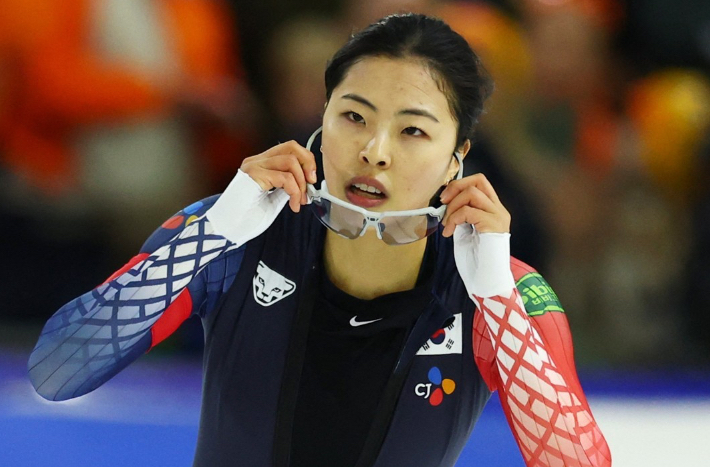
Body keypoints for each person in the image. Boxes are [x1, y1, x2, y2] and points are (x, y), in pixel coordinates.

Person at [28, 13, 611, 467]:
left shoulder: (501, 291)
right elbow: (56, 370)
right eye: (354, 117)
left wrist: (497, 300)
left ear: (456, 158)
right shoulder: (230, 238)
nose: (375, 151)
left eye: (412, 130)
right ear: (322, 120)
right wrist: (210, 235)